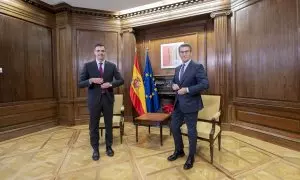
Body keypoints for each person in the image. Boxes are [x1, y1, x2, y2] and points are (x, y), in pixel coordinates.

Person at [79, 43, 124, 161]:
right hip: (94, 101)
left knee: (109, 124)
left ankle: (109, 147)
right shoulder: (88, 66)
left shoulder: (112, 66)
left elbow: (121, 80)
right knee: (93, 126)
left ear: (105, 52)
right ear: (94, 52)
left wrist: (110, 84)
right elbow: (80, 83)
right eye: (98, 51)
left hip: (108, 100)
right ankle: (95, 149)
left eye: (102, 51)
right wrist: (91, 80)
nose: (100, 53)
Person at [167, 43, 209, 169]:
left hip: (191, 104)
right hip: (178, 104)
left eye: (186, 51)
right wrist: (173, 85)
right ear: (179, 54)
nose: (184, 54)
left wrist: (187, 90)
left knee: (191, 131)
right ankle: (179, 151)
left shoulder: (197, 66)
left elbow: (205, 84)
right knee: (174, 126)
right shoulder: (178, 68)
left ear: (190, 53)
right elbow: (174, 81)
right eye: (182, 52)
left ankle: (191, 157)